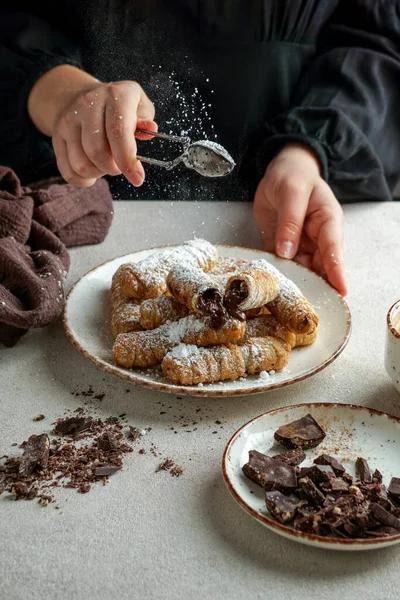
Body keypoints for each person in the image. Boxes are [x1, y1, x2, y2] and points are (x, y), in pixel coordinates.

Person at [1, 1, 400, 298]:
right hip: (78, 218)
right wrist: (61, 94)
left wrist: (305, 151)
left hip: (283, 211)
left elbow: (372, 35)